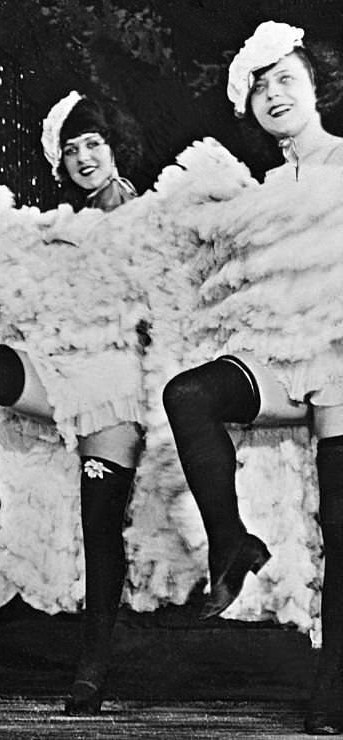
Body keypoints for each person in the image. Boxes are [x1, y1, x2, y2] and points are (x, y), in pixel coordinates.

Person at [162, 21, 343, 736]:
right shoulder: (260, 189)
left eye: (286, 81)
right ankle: (232, 540)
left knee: (341, 529)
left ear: (316, 87)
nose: (274, 95)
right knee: (189, 394)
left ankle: (332, 693)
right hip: (278, 357)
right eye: (260, 86)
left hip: (341, 362)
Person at [0, 92, 144, 715]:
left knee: (99, 523)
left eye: (94, 144)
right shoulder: (61, 226)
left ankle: (92, 668)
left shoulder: (151, 213)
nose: (84, 158)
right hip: (60, 370)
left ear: (115, 147)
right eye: (71, 150)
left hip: (119, 379)